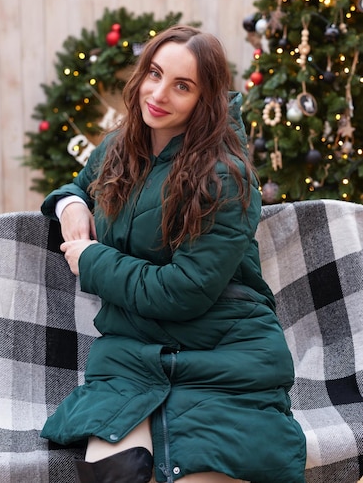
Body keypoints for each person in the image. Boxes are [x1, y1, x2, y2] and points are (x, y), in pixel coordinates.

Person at [40, 25, 306, 483]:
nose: (158, 94)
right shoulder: (120, 147)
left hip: (224, 350)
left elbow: (182, 293)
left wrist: (90, 259)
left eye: (181, 86)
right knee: (115, 473)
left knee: (198, 471)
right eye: (154, 74)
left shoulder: (227, 178)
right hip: (132, 352)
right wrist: (70, 205)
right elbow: (75, 185)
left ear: (206, 101)